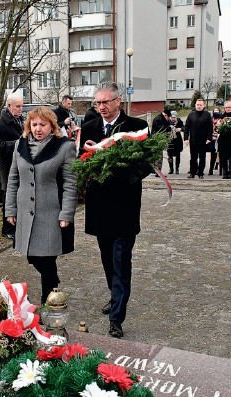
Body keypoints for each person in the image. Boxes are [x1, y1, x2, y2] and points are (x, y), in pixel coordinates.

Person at [79, 82, 151, 339]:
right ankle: (115, 294)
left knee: (121, 260)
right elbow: (82, 161)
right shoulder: (89, 128)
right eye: (97, 103)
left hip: (124, 206)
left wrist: (122, 174)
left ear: (118, 101)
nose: (101, 107)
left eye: (106, 102)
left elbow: (147, 164)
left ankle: (116, 317)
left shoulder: (136, 127)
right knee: (107, 258)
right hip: (99, 207)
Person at [5, 106, 77, 304]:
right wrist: (10, 209)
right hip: (25, 213)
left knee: (46, 259)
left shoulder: (64, 147)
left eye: (43, 125)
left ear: (52, 126)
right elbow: (13, 179)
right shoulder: (21, 145)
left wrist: (66, 214)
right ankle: (53, 283)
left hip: (50, 213)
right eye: (34, 124)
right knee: (33, 256)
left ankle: (49, 299)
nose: (38, 129)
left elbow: (71, 183)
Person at [0, 92, 24, 240]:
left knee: (19, 195)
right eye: (18, 106)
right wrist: (17, 144)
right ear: (9, 106)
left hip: (20, 163)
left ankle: (17, 225)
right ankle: (7, 228)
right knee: (9, 196)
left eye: (22, 106)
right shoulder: (1, 123)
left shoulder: (19, 119)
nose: (20, 109)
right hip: (8, 165)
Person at [184, 99, 213, 179]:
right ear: (195, 105)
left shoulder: (207, 115)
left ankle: (201, 173)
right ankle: (192, 172)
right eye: (197, 105)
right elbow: (186, 127)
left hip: (204, 140)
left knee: (202, 157)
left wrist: (209, 138)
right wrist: (186, 138)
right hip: (193, 140)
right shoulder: (191, 115)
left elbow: (210, 127)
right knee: (193, 157)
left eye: (200, 105)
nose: (199, 106)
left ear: (204, 106)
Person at [209, 108, 222, 175]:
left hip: (219, 140)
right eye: (214, 118)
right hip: (212, 140)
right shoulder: (210, 123)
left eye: (216, 119)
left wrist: (218, 134)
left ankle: (221, 171)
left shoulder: (220, 122)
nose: (215, 120)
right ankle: (211, 170)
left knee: (220, 155)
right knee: (213, 155)